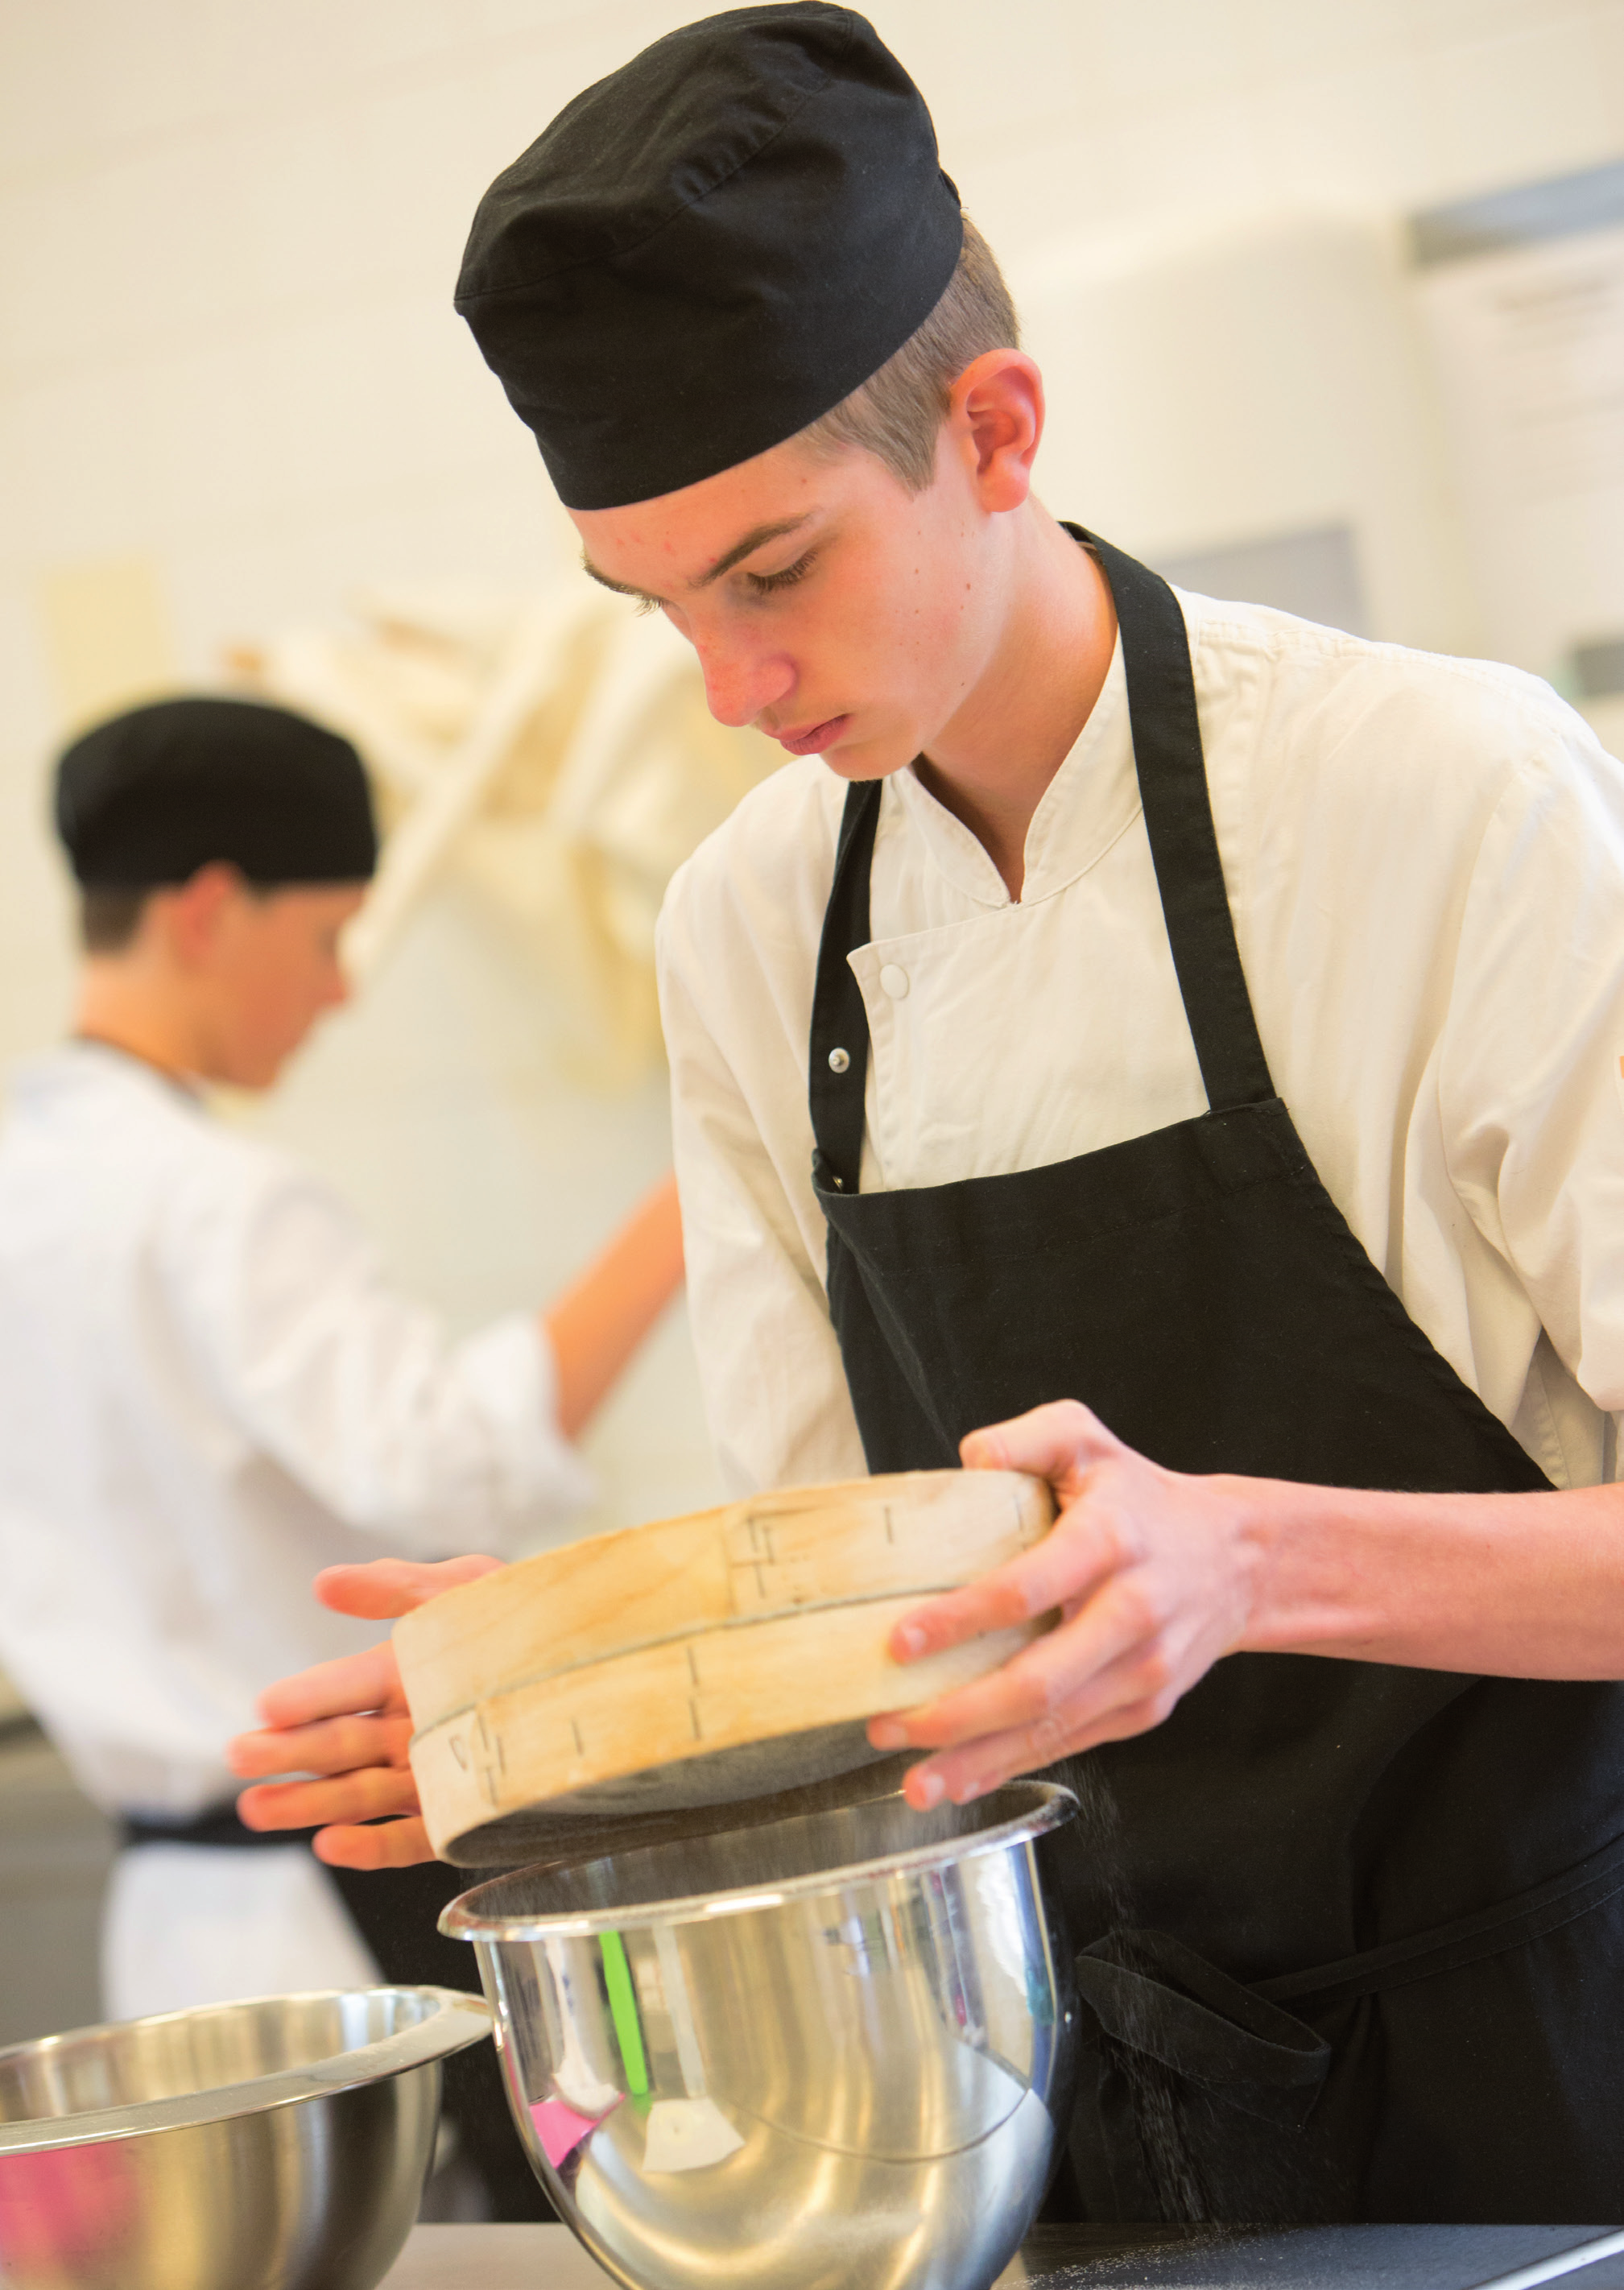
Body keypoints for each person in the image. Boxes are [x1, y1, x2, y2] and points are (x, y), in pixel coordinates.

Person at [232, 6, 1624, 2228]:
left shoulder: (1441, 798)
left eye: (772, 572)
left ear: (997, 428)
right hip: (1049, 2133)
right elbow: (871, 1665)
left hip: (1546, 2115)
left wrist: (1244, 1561)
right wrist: (560, 1710)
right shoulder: (751, 926)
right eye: (655, 605)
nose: (728, 686)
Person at [0, 692, 682, 2216]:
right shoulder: (212, 1201)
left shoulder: (24, 1184)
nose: (339, 995)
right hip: (329, 1922)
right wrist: (704, 1185)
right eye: (327, 941)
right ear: (207, 913)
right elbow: (459, 1476)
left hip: (171, 1934)